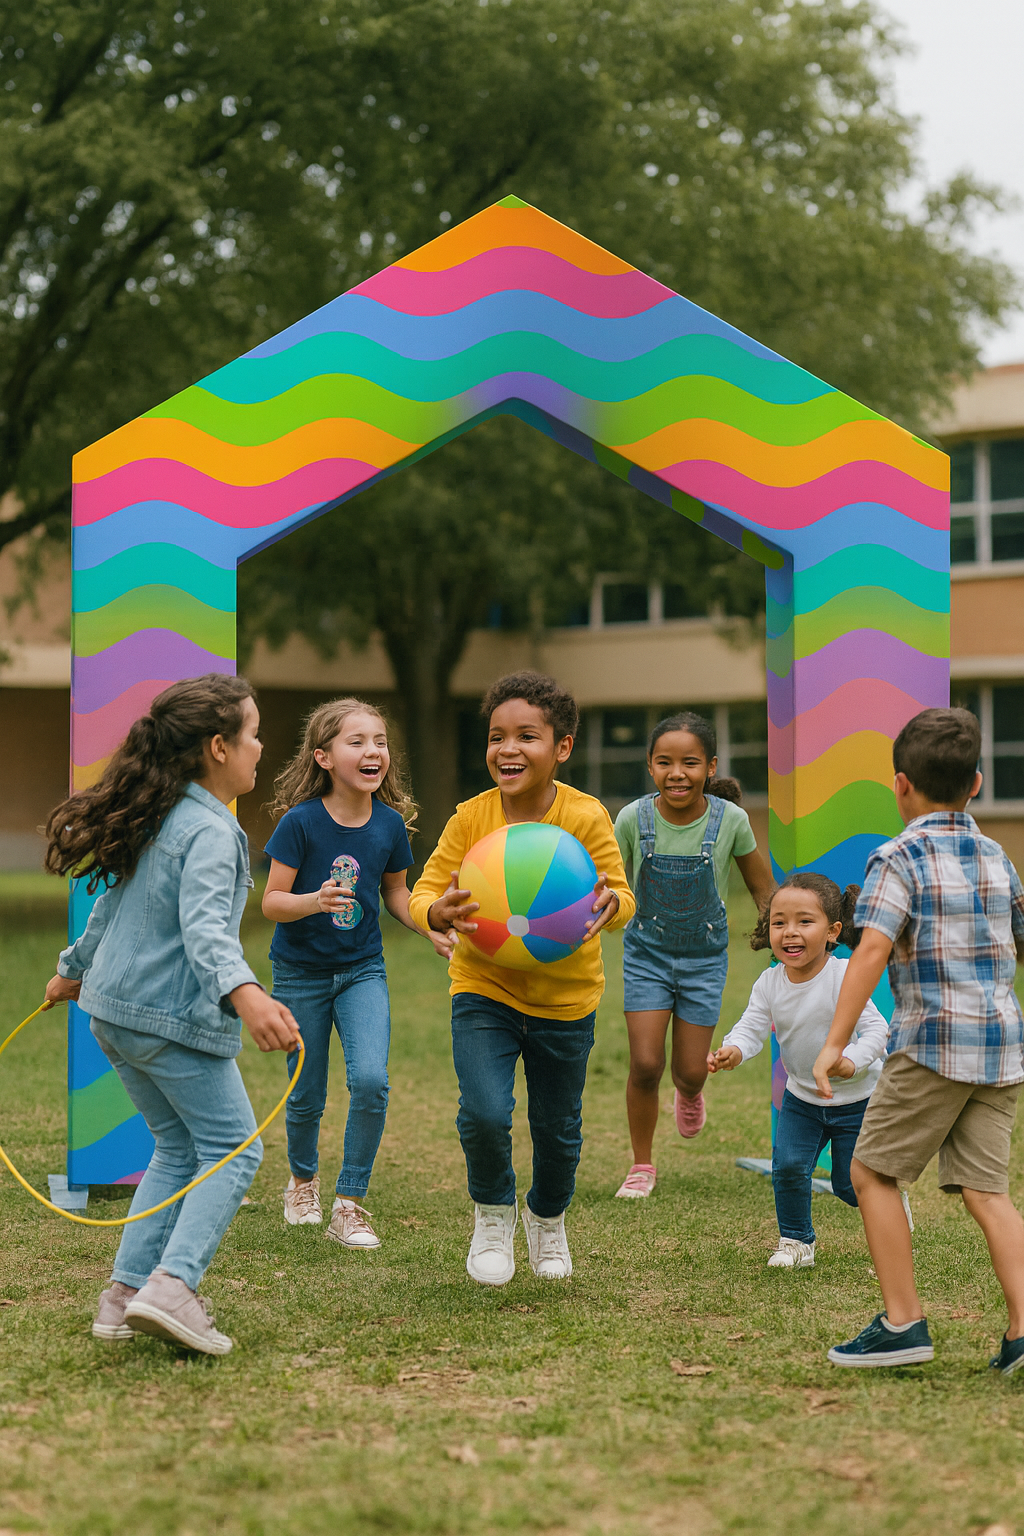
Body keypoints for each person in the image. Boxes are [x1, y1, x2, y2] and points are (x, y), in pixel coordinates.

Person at [43, 674, 299, 1357]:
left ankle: (124, 1294)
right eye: (251, 734)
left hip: (113, 1013)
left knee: (178, 1148)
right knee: (235, 1149)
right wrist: (248, 994)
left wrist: (72, 971)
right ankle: (173, 1288)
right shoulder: (215, 833)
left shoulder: (159, 810)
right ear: (219, 747)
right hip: (164, 1018)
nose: (260, 746)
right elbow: (206, 934)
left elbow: (106, 907)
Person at [813, 707, 1024, 1373]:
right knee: (990, 1193)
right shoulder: (997, 856)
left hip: (933, 1044)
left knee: (871, 1172)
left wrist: (833, 1042)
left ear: (900, 785)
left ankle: (903, 1322)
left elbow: (872, 946)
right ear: (978, 783)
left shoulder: (896, 856)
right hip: (1000, 1050)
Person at [409, 671, 634, 1286]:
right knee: (483, 1112)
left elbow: (618, 891)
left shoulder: (585, 816)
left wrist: (614, 905)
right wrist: (433, 911)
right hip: (484, 986)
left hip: (566, 998)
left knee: (558, 1129)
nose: (507, 749)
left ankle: (547, 1218)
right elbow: (426, 889)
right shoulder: (470, 818)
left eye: (526, 736)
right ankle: (491, 1214)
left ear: (561, 747)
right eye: (496, 737)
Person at [262, 698, 448, 1250]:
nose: (373, 751)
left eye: (381, 742)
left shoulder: (390, 825)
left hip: (363, 970)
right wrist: (313, 901)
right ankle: (301, 1181)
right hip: (299, 974)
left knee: (370, 1081)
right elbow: (272, 901)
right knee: (306, 1092)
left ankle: (350, 1203)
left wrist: (427, 924)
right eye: (357, 741)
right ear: (323, 756)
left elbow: (395, 892)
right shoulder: (300, 823)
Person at [611, 712, 773, 1199]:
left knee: (689, 1068)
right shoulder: (632, 819)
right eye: (665, 762)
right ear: (650, 766)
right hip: (647, 956)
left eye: (689, 763)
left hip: (704, 960)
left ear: (710, 767)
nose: (676, 773)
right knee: (644, 1064)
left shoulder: (732, 821)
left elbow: (762, 888)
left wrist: (789, 937)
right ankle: (642, 1165)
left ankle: (691, 1090)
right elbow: (611, 886)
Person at [708, 873, 889, 1268]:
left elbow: (877, 1030)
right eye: (779, 922)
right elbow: (751, 1027)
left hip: (857, 1101)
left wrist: (851, 1060)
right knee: (788, 1166)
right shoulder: (770, 982)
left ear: (832, 931)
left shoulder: (843, 975)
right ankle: (796, 1242)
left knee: (848, 1183)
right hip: (802, 1098)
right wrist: (734, 1049)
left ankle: (891, 1202)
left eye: (805, 922)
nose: (790, 932)